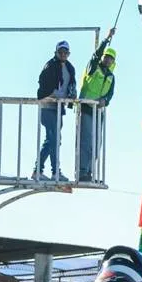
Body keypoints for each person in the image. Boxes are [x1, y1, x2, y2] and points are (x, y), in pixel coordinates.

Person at [34, 40, 77, 181]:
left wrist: (71, 96)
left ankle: (38, 171)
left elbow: (72, 85)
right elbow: (41, 85)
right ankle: (54, 172)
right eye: (61, 52)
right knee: (53, 139)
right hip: (48, 106)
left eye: (66, 52)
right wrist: (48, 95)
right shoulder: (50, 66)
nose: (63, 54)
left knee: (53, 140)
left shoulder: (70, 68)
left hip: (59, 108)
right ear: (56, 52)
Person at [77, 29, 116, 182]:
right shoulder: (93, 67)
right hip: (86, 108)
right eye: (106, 57)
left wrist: (105, 101)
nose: (107, 60)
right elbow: (95, 56)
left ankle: (90, 173)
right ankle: (82, 172)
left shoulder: (111, 77)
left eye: (110, 58)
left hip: (98, 112)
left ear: (113, 62)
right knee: (86, 142)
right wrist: (107, 38)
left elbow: (110, 94)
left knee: (96, 144)